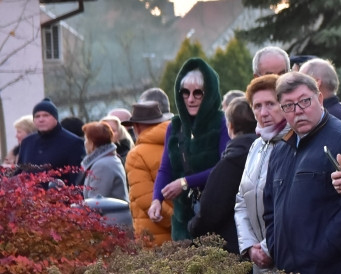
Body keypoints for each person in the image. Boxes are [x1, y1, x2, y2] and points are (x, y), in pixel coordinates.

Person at [264, 72, 341, 274]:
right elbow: (269, 208)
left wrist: (324, 248)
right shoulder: (280, 149)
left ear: (320, 98)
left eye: (304, 101)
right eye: (288, 105)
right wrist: (276, 247)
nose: (298, 111)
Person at [149, 58, 230, 240]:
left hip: (215, 216)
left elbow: (224, 167)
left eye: (198, 93)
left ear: (208, 93)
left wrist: (185, 182)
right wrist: (156, 200)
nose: (191, 99)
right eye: (185, 92)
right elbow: (165, 169)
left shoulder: (222, 122)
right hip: (182, 220)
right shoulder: (175, 126)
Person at [235, 75, 291, 274]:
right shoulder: (256, 146)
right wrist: (249, 246)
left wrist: (268, 248)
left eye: (270, 104)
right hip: (259, 262)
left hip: (287, 259)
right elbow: (241, 200)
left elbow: (292, 206)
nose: (263, 112)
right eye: (257, 106)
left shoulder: (294, 142)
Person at [188, 99, 258, 254]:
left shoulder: (231, 161)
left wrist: (193, 226)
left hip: (235, 246)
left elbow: (211, 211)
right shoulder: (267, 152)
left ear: (230, 126)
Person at [124, 101, 173, 246]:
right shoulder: (180, 142)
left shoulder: (136, 155)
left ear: (136, 127)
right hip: (191, 234)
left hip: (156, 239)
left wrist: (176, 223)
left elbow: (146, 199)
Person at [17, 98, 86, 183]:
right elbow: (19, 173)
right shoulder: (27, 142)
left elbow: (77, 179)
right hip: (28, 195)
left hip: (60, 195)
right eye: (37, 116)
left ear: (55, 118)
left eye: (46, 115)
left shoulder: (73, 143)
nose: (41, 119)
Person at [300, 57, 341, 127]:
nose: (296, 87)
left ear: (316, 82)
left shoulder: (330, 118)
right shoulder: (335, 113)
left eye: (300, 81)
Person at [78, 121, 128, 201]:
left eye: (86, 139)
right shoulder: (108, 159)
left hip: (110, 213)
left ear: (92, 143)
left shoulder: (102, 165)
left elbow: (96, 201)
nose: (85, 143)